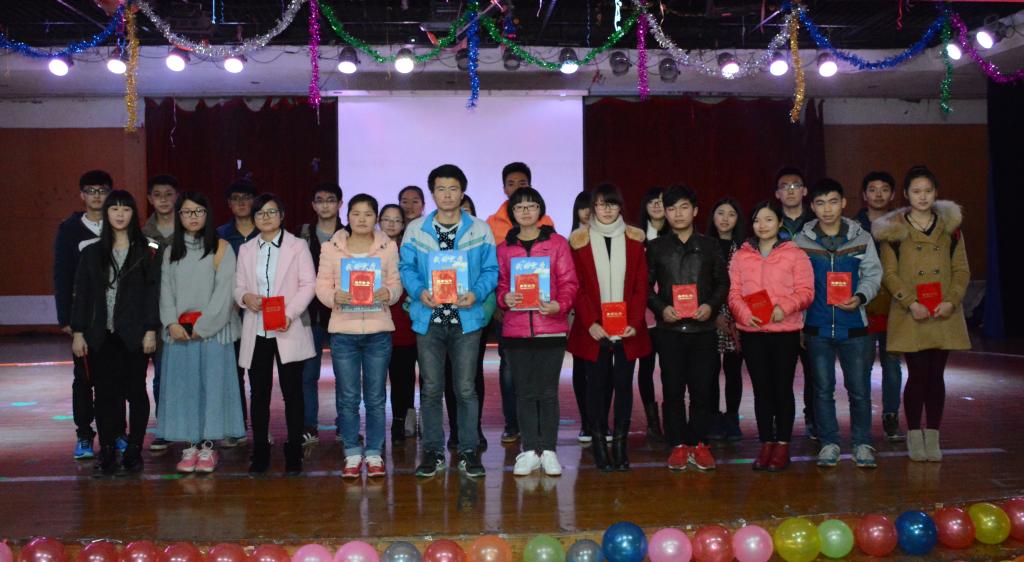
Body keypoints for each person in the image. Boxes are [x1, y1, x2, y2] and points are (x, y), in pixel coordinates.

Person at [399, 164, 498, 478]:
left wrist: (476, 294)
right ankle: (432, 452)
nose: (447, 195)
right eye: (440, 189)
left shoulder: (480, 229)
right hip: (429, 318)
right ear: (432, 193)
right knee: (430, 389)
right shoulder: (416, 229)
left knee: (466, 389)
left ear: (462, 192)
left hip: (466, 319)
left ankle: (468, 450)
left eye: (453, 189)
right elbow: (406, 268)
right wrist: (419, 291)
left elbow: (491, 270)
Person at [873, 166, 970, 462]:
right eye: (916, 191)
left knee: (936, 375)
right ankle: (915, 435)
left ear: (936, 193)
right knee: (917, 375)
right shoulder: (893, 231)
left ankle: (934, 436)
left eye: (928, 191)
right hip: (911, 312)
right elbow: (889, 274)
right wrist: (910, 302)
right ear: (906, 194)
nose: (923, 196)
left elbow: (961, 270)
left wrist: (951, 301)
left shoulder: (951, 228)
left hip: (943, 312)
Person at [71, 190, 160, 476]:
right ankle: (107, 449)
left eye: (126, 209)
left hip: (134, 335)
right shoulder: (92, 252)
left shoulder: (149, 250)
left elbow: (153, 294)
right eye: (114, 209)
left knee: (136, 392)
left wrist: (150, 329)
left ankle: (134, 449)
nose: (120, 214)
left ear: (134, 214)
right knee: (105, 394)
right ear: (107, 213)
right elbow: (81, 296)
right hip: (101, 335)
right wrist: (78, 332)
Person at [795, 179, 882, 469]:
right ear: (812, 206)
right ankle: (829, 443)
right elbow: (796, 281)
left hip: (854, 327)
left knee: (859, 390)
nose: (827, 209)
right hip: (817, 327)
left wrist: (860, 297)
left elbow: (873, 274)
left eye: (833, 202)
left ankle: (862, 443)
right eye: (820, 203)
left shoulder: (862, 237)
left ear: (843, 203)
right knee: (822, 390)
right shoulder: (801, 241)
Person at [157, 192, 244, 473]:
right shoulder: (170, 251)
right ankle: (190, 445)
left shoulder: (222, 248)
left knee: (213, 389)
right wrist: (171, 323)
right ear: (179, 216)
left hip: (213, 334)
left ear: (207, 215)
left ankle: (208, 447)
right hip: (179, 334)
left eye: (198, 212)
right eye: (187, 212)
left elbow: (224, 294)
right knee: (185, 391)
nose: (192, 217)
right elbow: (165, 291)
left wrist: (202, 328)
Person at [316, 194, 402, 478]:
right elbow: (321, 286)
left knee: (376, 398)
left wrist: (388, 293)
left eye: (368, 214)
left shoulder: (388, 247)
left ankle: (375, 452)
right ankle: (352, 452)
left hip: (378, 331)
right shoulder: (331, 248)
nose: (362, 219)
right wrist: (334, 296)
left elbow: (396, 283)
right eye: (356, 213)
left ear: (375, 217)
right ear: (347, 216)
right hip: (344, 332)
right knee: (348, 397)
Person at [568, 184, 651, 471]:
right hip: (594, 328)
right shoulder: (579, 241)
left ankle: (620, 445)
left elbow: (641, 286)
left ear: (620, 207)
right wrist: (591, 322)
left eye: (612, 204)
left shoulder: (634, 239)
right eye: (601, 204)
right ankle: (599, 445)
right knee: (596, 386)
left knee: (624, 386)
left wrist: (634, 322)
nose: (606, 210)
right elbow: (577, 287)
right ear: (593, 208)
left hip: (627, 328)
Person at [646, 186, 729, 471]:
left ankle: (700, 443)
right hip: (669, 331)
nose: (678, 214)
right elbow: (645, 287)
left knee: (702, 390)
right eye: (671, 209)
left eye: (684, 207)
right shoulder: (656, 247)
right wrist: (661, 308)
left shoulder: (710, 246)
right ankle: (678, 445)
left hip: (702, 329)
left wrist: (710, 306)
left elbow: (723, 283)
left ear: (694, 211)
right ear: (665, 213)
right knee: (672, 391)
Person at [497, 188, 579, 477]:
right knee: (524, 392)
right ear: (512, 213)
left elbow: (569, 282)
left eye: (531, 206)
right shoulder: (504, 248)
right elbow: (501, 285)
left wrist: (560, 305)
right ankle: (530, 450)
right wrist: (504, 297)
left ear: (540, 210)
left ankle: (550, 450)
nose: (526, 211)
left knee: (547, 392)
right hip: (516, 331)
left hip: (550, 329)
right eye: (519, 207)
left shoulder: (557, 243)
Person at [728, 202, 814, 471]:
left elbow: (806, 292)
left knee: (782, 389)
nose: (762, 225)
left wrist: (783, 308)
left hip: (785, 332)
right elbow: (733, 293)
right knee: (761, 390)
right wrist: (744, 314)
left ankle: (783, 445)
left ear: (779, 223)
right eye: (757, 220)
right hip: (753, 332)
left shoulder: (795, 254)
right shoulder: (741, 255)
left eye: (768, 219)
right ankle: (766, 443)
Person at [234, 194, 316, 475]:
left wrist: (289, 314)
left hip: (288, 326)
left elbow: (308, 284)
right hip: (257, 328)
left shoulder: (297, 245)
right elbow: (238, 286)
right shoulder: (246, 249)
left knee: (293, 392)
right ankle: (260, 450)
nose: (265, 217)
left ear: (282, 215)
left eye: (271, 212)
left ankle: (294, 450)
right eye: (260, 213)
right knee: (259, 393)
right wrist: (245, 297)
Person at [485, 162, 556, 444]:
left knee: (539, 372)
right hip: (508, 312)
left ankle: (537, 425)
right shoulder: (492, 223)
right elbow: (492, 270)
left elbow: (552, 270)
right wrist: (499, 303)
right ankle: (512, 423)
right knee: (509, 369)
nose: (516, 188)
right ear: (504, 188)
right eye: (511, 183)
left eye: (522, 183)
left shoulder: (547, 223)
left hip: (541, 313)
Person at [54, 170, 111, 460]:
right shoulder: (70, 229)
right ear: (82, 195)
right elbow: (62, 274)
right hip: (85, 319)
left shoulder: (120, 222)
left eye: (102, 190)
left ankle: (116, 433)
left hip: (117, 318)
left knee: (114, 380)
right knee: (84, 379)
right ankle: (85, 435)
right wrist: (66, 318)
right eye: (91, 191)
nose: (96, 196)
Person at [855, 171, 905, 442]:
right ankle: (861, 420)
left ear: (892, 194)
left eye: (884, 189)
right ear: (864, 195)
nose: (878, 194)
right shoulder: (853, 226)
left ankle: (891, 416)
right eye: (872, 189)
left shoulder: (903, 224)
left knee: (892, 364)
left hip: (895, 304)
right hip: (863, 304)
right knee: (861, 366)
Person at [296, 182, 345, 445]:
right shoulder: (301, 235)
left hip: (343, 313)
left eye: (330, 199)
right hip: (309, 314)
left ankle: (345, 425)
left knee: (344, 374)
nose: (325, 205)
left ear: (340, 204)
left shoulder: (349, 234)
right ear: (313, 205)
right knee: (308, 374)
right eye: (320, 200)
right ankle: (308, 425)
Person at [443, 194, 493, 450]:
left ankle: (474, 428)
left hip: (474, 317)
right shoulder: (438, 240)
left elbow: (490, 276)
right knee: (448, 375)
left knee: (471, 377)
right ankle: (454, 430)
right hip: (441, 318)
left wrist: (482, 311)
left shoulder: (481, 237)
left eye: (467, 209)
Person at [773, 167, 818, 440]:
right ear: (777, 194)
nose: (790, 190)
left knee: (815, 372)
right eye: (784, 186)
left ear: (805, 191)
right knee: (780, 373)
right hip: (779, 311)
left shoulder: (817, 223)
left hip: (813, 306)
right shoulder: (768, 222)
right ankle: (779, 424)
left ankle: (814, 419)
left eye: (795, 185)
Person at [217, 179, 260, 446]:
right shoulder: (219, 235)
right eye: (236, 198)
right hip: (228, 314)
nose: (241, 202)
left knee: (259, 374)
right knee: (232, 374)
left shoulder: (267, 231)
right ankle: (236, 427)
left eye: (246, 197)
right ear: (229, 204)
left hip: (260, 312)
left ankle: (261, 428)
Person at [142, 174, 178, 452]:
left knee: (193, 371)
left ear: (176, 196)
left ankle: (198, 428)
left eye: (168, 194)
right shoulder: (142, 235)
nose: (163, 200)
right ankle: (164, 427)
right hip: (156, 315)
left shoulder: (192, 229)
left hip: (190, 313)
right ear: (149, 199)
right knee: (163, 374)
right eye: (158, 195)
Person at [706, 197, 746, 442]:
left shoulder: (745, 248)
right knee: (709, 371)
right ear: (712, 216)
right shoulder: (703, 245)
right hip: (708, 316)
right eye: (720, 213)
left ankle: (732, 418)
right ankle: (711, 417)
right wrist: (713, 314)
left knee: (733, 371)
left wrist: (736, 317)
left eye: (731, 214)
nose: (725, 219)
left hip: (737, 318)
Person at [380, 204, 419, 441]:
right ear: (379, 222)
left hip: (406, 319)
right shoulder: (371, 250)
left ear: (404, 225)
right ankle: (392, 420)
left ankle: (404, 418)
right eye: (387, 219)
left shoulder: (411, 251)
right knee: (382, 377)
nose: (391, 224)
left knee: (403, 374)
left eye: (397, 220)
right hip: (378, 318)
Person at [637, 187, 666, 441]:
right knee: (645, 368)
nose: (656, 205)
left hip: (670, 312)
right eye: (652, 201)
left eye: (661, 201)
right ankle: (652, 421)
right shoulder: (635, 237)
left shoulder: (676, 235)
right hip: (643, 314)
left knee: (670, 368)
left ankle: (672, 417)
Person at [569, 190, 595, 443]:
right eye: (582, 207)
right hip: (576, 313)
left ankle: (600, 421)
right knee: (580, 368)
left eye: (591, 207)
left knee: (601, 370)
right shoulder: (569, 241)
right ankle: (586, 422)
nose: (587, 212)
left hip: (603, 313)